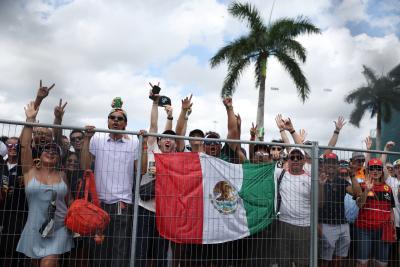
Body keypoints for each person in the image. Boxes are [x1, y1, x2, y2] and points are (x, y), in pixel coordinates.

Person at [80, 97, 139, 267]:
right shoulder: (97, 139)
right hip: (99, 203)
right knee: (99, 247)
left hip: (122, 203)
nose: (116, 121)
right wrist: (86, 138)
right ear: (107, 122)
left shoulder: (134, 142)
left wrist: (144, 144)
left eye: (120, 119)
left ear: (125, 124)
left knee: (119, 249)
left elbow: (141, 170)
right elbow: (85, 165)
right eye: (112, 118)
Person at [17, 101, 73, 266]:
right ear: (40, 155)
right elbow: (25, 147)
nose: (50, 151)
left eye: (55, 150)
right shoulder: (30, 172)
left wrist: (75, 218)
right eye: (47, 149)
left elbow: (69, 200)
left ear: (59, 158)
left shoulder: (63, 175)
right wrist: (29, 121)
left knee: (48, 263)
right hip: (34, 228)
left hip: (59, 229)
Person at [136, 85, 174, 267]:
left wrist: (171, 116)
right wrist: (155, 103)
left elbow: (171, 133)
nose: (168, 140)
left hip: (164, 212)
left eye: (171, 139)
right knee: (140, 251)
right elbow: (154, 126)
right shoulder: (152, 149)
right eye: (164, 138)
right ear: (158, 140)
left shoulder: (175, 157)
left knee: (160, 253)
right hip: (144, 207)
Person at [274, 148, 315, 267]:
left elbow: (318, 203)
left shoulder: (310, 178)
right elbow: (262, 166)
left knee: (302, 262)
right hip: (283, 224)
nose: (295, 159)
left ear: (304, 160)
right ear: (289, 160)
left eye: (299, 157)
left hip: (304, 226)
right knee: (283, 261)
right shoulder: (280, 174)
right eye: (292, 157)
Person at [318, 153, 362, 267]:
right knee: (324, 259)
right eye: (328, 162)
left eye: (333, 162)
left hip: (343, 224)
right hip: (326, 224)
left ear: (337, 165)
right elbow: (318, 204)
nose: (331, 165)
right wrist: (321, 185)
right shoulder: (318, 179)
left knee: (339, 259)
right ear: (324, 164)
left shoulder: (341, 181)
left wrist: (352, 174)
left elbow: (357, 193)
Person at [355, 158, 395, 267]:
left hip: (383, 230)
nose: (375, 171)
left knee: (381, 263)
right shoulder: (362, 185)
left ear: (382, 171)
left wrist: (393, 227)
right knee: (362, 263)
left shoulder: (388, 189)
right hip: (364, 230)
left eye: (378, 168)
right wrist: (367, 190)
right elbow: (359, 205)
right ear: (368, 170)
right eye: (372, 168)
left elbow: (391, 209)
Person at [0, 137, 27, 266]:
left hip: (17, 215)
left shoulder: (24, 168)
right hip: (1, 212)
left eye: (16, 145)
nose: (12, 148)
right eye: (9, 145)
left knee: (14, 250)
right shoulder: (1, 165)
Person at [385, 159, 400, 266]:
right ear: (394, 170)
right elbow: (382, 167)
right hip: (395, 223)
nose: (399, 169)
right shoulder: (391, 181)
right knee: (392, 252)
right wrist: (385, 149)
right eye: (397, 167)